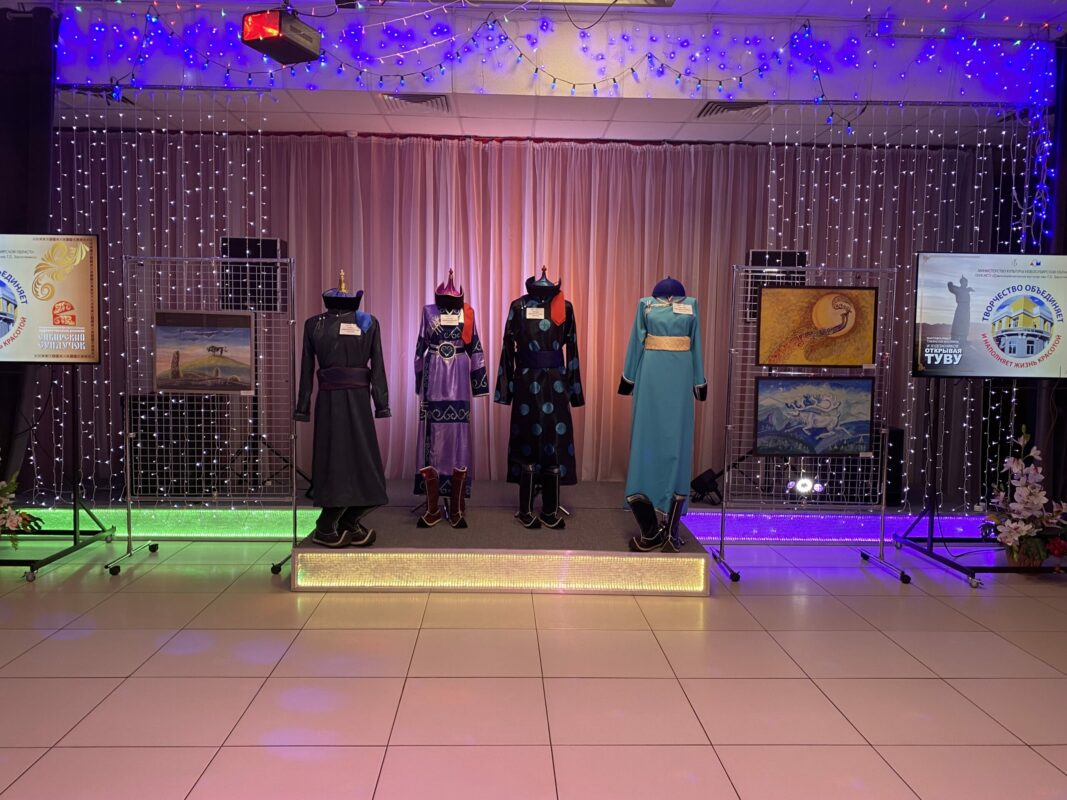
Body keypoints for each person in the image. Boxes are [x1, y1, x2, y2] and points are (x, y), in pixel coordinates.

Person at [294, 270, 389, 547]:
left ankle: (348, 520)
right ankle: (326, 525)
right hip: (332, 403)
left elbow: (378, 365)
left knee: (363, 461)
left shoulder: (368, 323)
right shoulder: (314, 325)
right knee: (334, 459)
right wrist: (303, 407)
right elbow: (306, 368)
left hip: (356, 402)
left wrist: (381, 403)